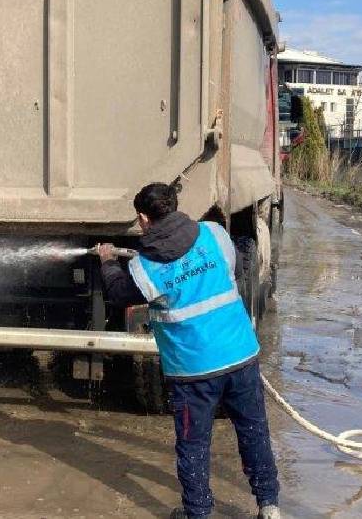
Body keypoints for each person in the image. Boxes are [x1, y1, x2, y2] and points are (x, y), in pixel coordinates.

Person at [95, 182, 280, 519]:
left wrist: (107, 261)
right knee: (254, 432)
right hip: (240, 355)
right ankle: (269, 506)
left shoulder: (144, 268)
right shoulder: (214, 234)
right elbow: (237, 269)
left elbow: (119, 295)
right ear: (175, 205)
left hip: (193, 370)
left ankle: (197, 512)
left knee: (193, 444)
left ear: (143, 218)